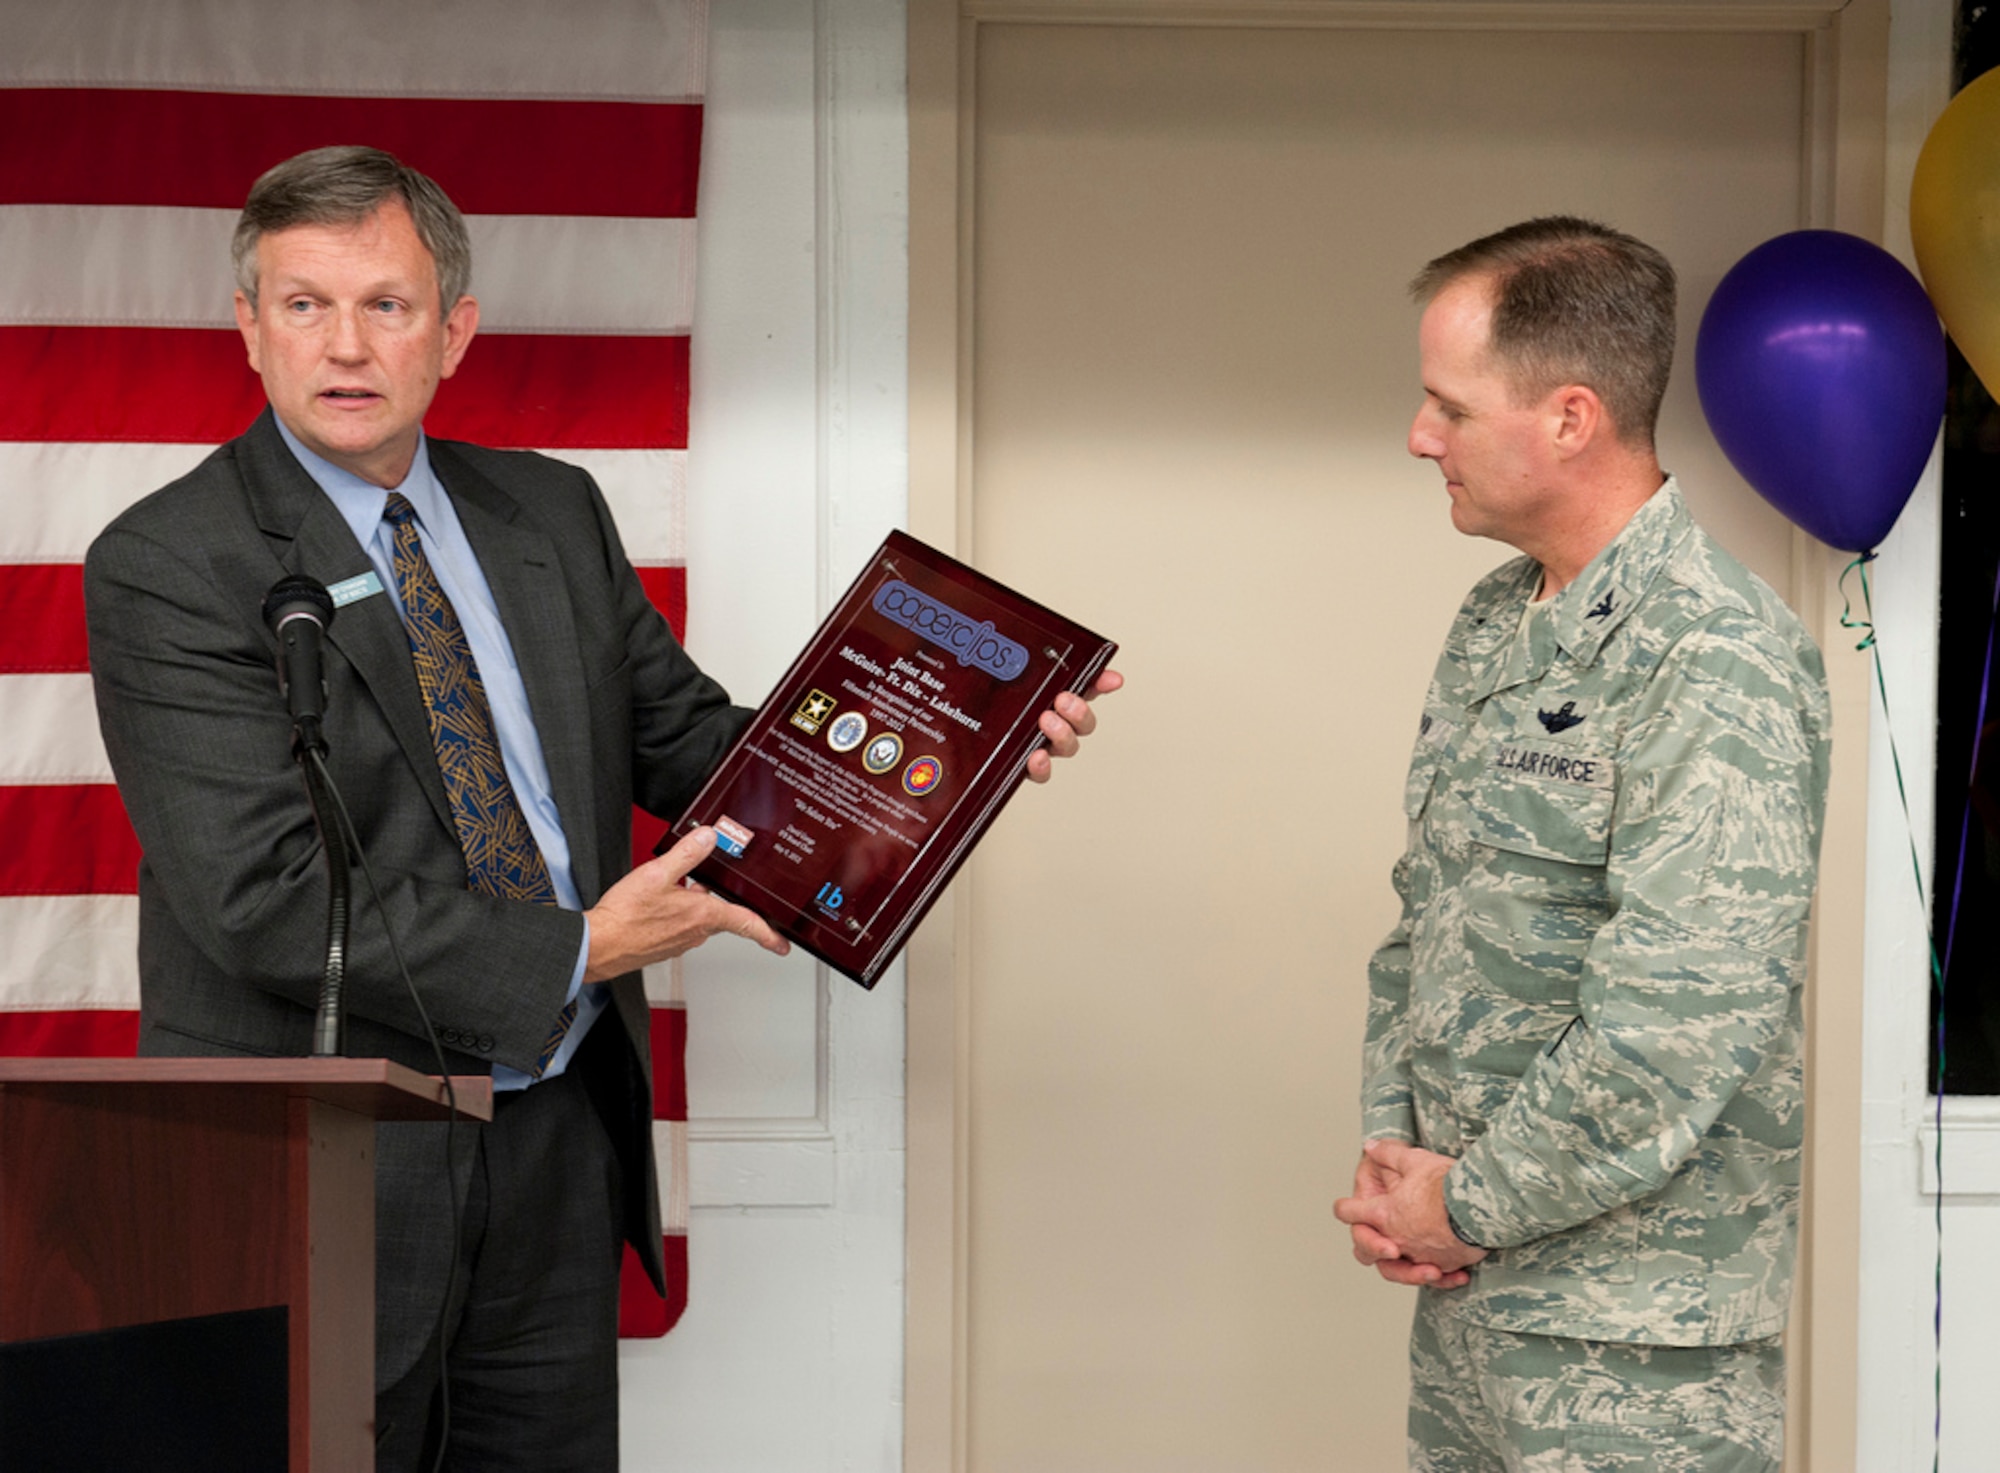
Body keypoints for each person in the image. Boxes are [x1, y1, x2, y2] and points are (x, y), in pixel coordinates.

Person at [84, 145, 1116, 1471]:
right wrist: (585, 949)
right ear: (248, 326)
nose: (344, 345)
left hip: (555, 1139)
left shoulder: (550, 510)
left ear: (453, 332)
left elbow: (690, 745)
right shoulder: (172, 562)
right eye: (302, 304)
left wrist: (955, 751)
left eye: (387, 305)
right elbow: (259, 900)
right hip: (321, 1167)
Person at [1332, 217, 1830, 1470]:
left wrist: (1463, 1205)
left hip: (1633, 1340)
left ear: (1567, 417)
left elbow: (1676, 1019)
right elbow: (1426, 918)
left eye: (1448, 405)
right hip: (1473, 1305)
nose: (1417, 436)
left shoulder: (1716, 656)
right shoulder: (1496, 619)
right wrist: (1401, 1169)